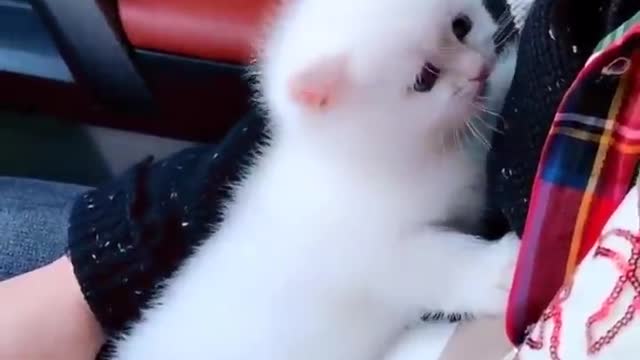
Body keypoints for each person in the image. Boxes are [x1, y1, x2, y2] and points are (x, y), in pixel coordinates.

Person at [1, 0, 638, 358]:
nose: (473, 64)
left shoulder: (368, 136)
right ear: (325, 104)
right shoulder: (338, 172)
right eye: (425, 78)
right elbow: (368, 260)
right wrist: (95, 266)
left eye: (461, 26)